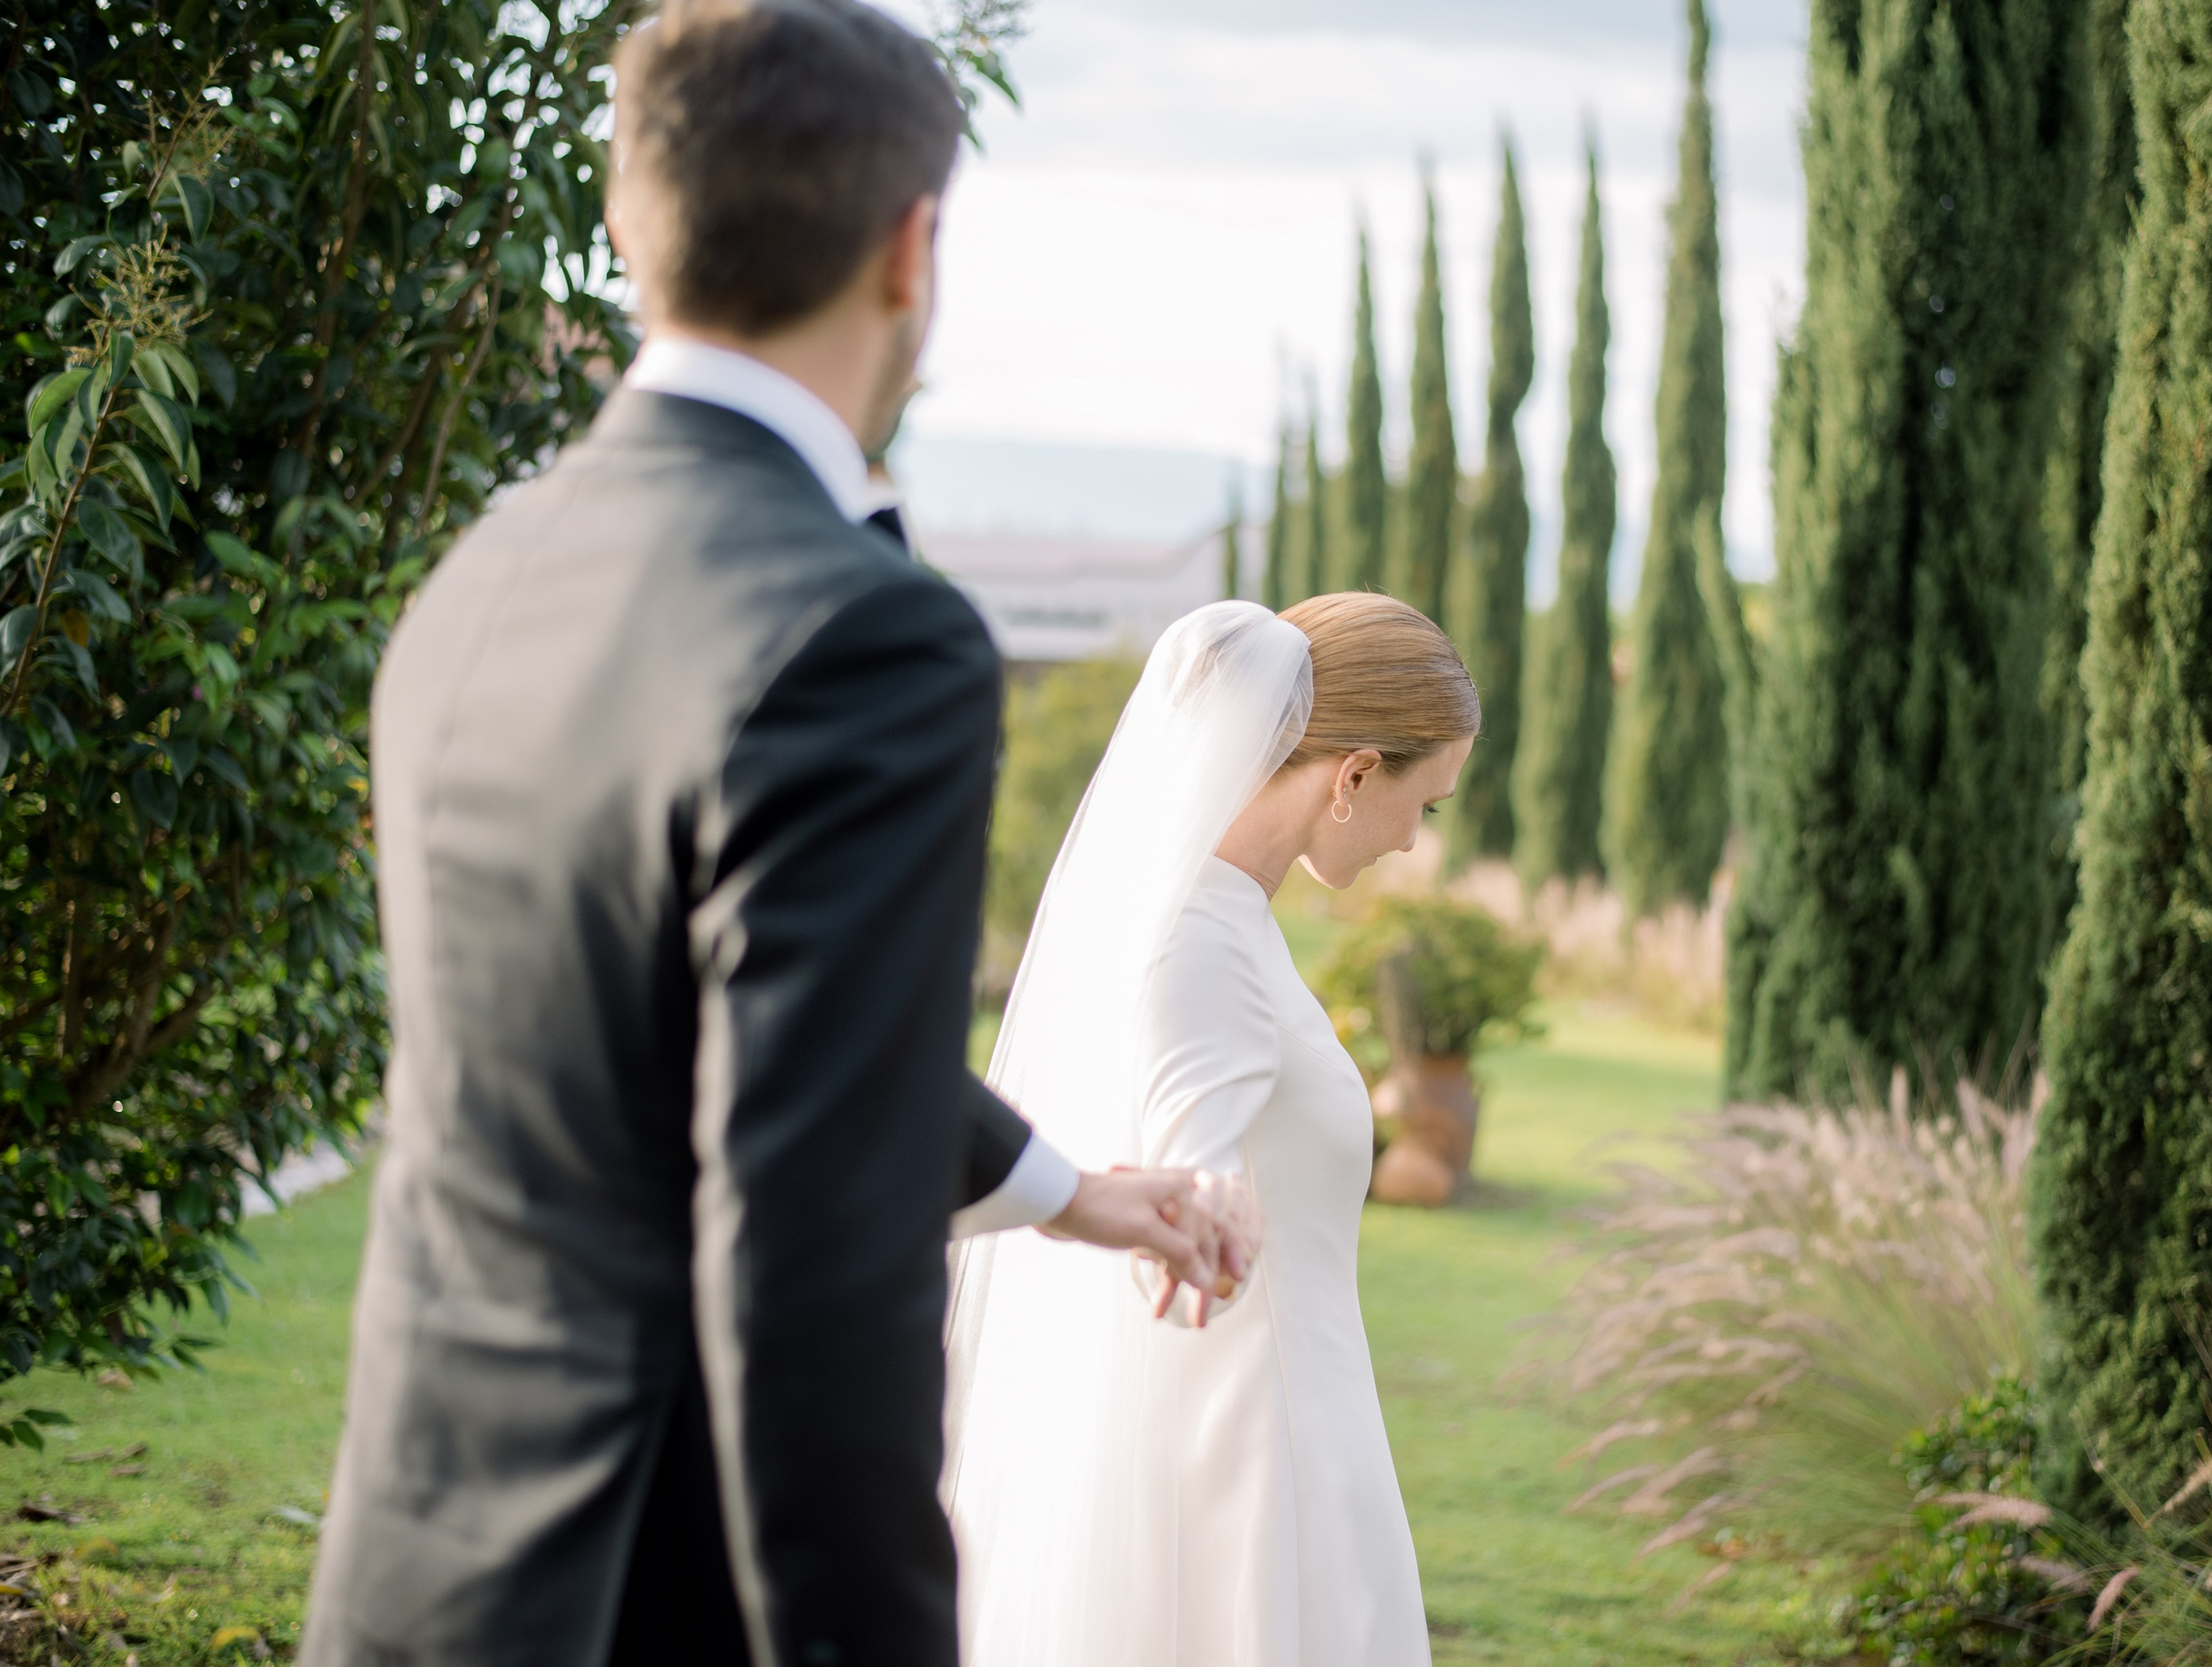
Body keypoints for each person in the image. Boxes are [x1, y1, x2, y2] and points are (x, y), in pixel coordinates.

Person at [301, 4, 1252, 1664]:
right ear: (913, 249)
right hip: (652, 1593)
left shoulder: (484, 576)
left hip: (412, 1579)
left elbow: (659, 1042)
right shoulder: (862, 636)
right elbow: (815, 1278)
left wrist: (1063, 1187)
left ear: (630, 221)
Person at [947, 591, 1481, 1666]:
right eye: (1426, 803)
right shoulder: (1201, 930)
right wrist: (1204, 1186)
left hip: (1286, 1413)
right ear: (1356, 773)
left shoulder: (1220, 912)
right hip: (1265, 1444)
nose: (1414, 841)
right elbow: (1194, 1127)